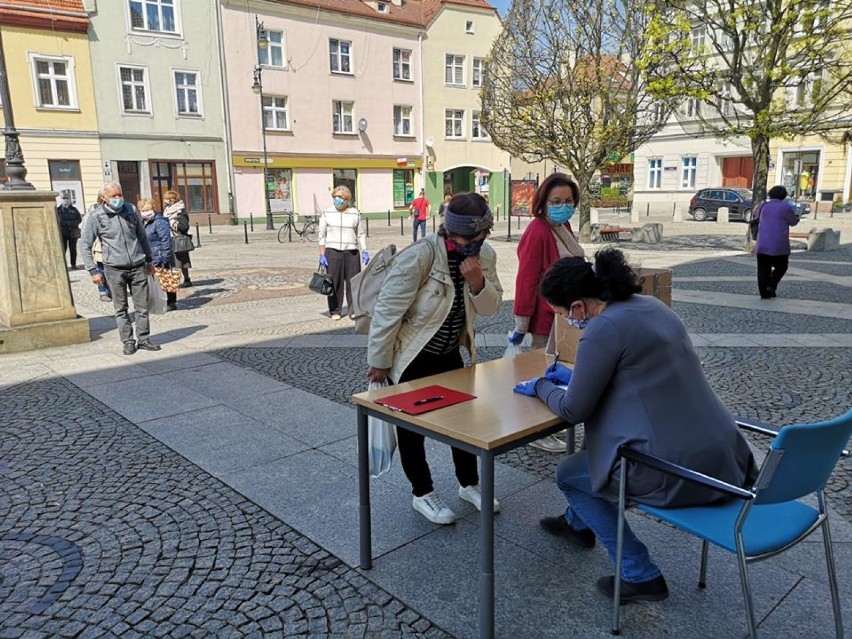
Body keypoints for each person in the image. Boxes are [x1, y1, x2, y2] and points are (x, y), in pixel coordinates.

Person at [513, 248, 756, 603]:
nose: (564, 321)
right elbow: (637, 373)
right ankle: (578, 523)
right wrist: (575, 375)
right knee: (593, 454)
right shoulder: (650, 306)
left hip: (676, 467)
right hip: (722, 453)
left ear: (578, 307)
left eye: (562, 314)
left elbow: (573, 409)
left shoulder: (602, 329)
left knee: (569, 473)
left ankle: (639, 574)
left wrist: (541, 385)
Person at [366, 193, 503, 524]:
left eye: (480, 236)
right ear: (449, 232)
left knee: (464, 423)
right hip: (413, 356)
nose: (474, 243)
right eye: (468, 238)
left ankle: (469, 484)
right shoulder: (422, 255)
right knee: (412, 431)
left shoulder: (485, 256)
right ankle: (422, 494)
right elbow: (387, 311)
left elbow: (491, 307)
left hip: (450, 354)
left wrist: (477, 282)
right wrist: (380, 360)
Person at [509, 172, 585, 453]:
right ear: (543, 202)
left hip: (564, 315)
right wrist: (521, 322)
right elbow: (526, 279)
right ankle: (536, 430)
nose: (563, 205)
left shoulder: (562, 225)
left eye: (568, 200)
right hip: (544, 316)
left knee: (556, 371)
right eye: (556, 200)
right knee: (540, 372)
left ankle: (551, 423)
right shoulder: (537, 231)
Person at [81, 182, 160, 355]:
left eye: (119, 194)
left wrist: (149, 260)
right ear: (104, 198)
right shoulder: (96, 216)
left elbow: (142, 236)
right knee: (121, 308)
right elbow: (85, 244)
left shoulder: (130, 210)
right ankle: (128, 341)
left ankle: (144, 339)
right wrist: (93, 271)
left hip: (138, 266)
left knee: (142, 307)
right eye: (114, 196)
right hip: (114, 268)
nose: (118, 198)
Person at [318, 186, 368, 320]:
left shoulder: (354, 213)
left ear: (347, 199)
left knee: (353, 282)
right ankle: (335, 310)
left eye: (340, 197)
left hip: (351, 252)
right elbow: (321, 235)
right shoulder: (327, 213)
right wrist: (322, 254)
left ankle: (353, 309)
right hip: (333, 252)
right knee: (334, 282)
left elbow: (361, 234)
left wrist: (364, 250)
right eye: (335, 197)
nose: (337, 199)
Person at [754, 185, 799, 299]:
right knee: (782, 266)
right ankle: (772, 284)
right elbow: (793, 221)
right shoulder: (785, 208)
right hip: (779, 244)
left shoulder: (763, 206)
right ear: (783, 196)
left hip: (763, 243)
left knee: (763, 269)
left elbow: (755, 215)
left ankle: (764, 293)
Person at [139, 198, 178, 312]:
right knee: (152, 281)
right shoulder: (141, 222)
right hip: (148, 255)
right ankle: (155, 302)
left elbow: (165, 240)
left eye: (148, 209)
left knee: (166, 279)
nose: (146, 212)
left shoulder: (160, 221)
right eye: (143, 210)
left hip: (160, 254)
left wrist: (165, 257)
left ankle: (171, 302)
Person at [82, 194, 111, 302]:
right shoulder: (93, 213)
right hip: (99, 246)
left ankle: (111, 290)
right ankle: (102, 292)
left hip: (112, 249)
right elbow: (85, 232)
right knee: (101, 271)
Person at [162, 190, 192, 288]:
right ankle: (179, 281)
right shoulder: (167, 210)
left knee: (179, 262)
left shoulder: (180, 210)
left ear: (174, 200)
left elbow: (184, 227)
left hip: (178, 238)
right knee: (175, 261)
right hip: (169, 238)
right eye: (166, 198)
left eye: (169, 199)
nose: (167, 201)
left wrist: (172, 223)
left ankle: (180, 281)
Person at [56, 195, 83, 269]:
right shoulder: (58, 210)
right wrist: (65, 223)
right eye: (64, 198)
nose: (65, 200)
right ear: (61, 200)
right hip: (63, 232)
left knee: (73, 249)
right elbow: (56, 220)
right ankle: (62, 265)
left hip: (73, 232)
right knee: (63, 249)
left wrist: (71, 223)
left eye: (67, 198)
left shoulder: (74, 209)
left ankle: (73, 264)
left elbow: (79, 219)